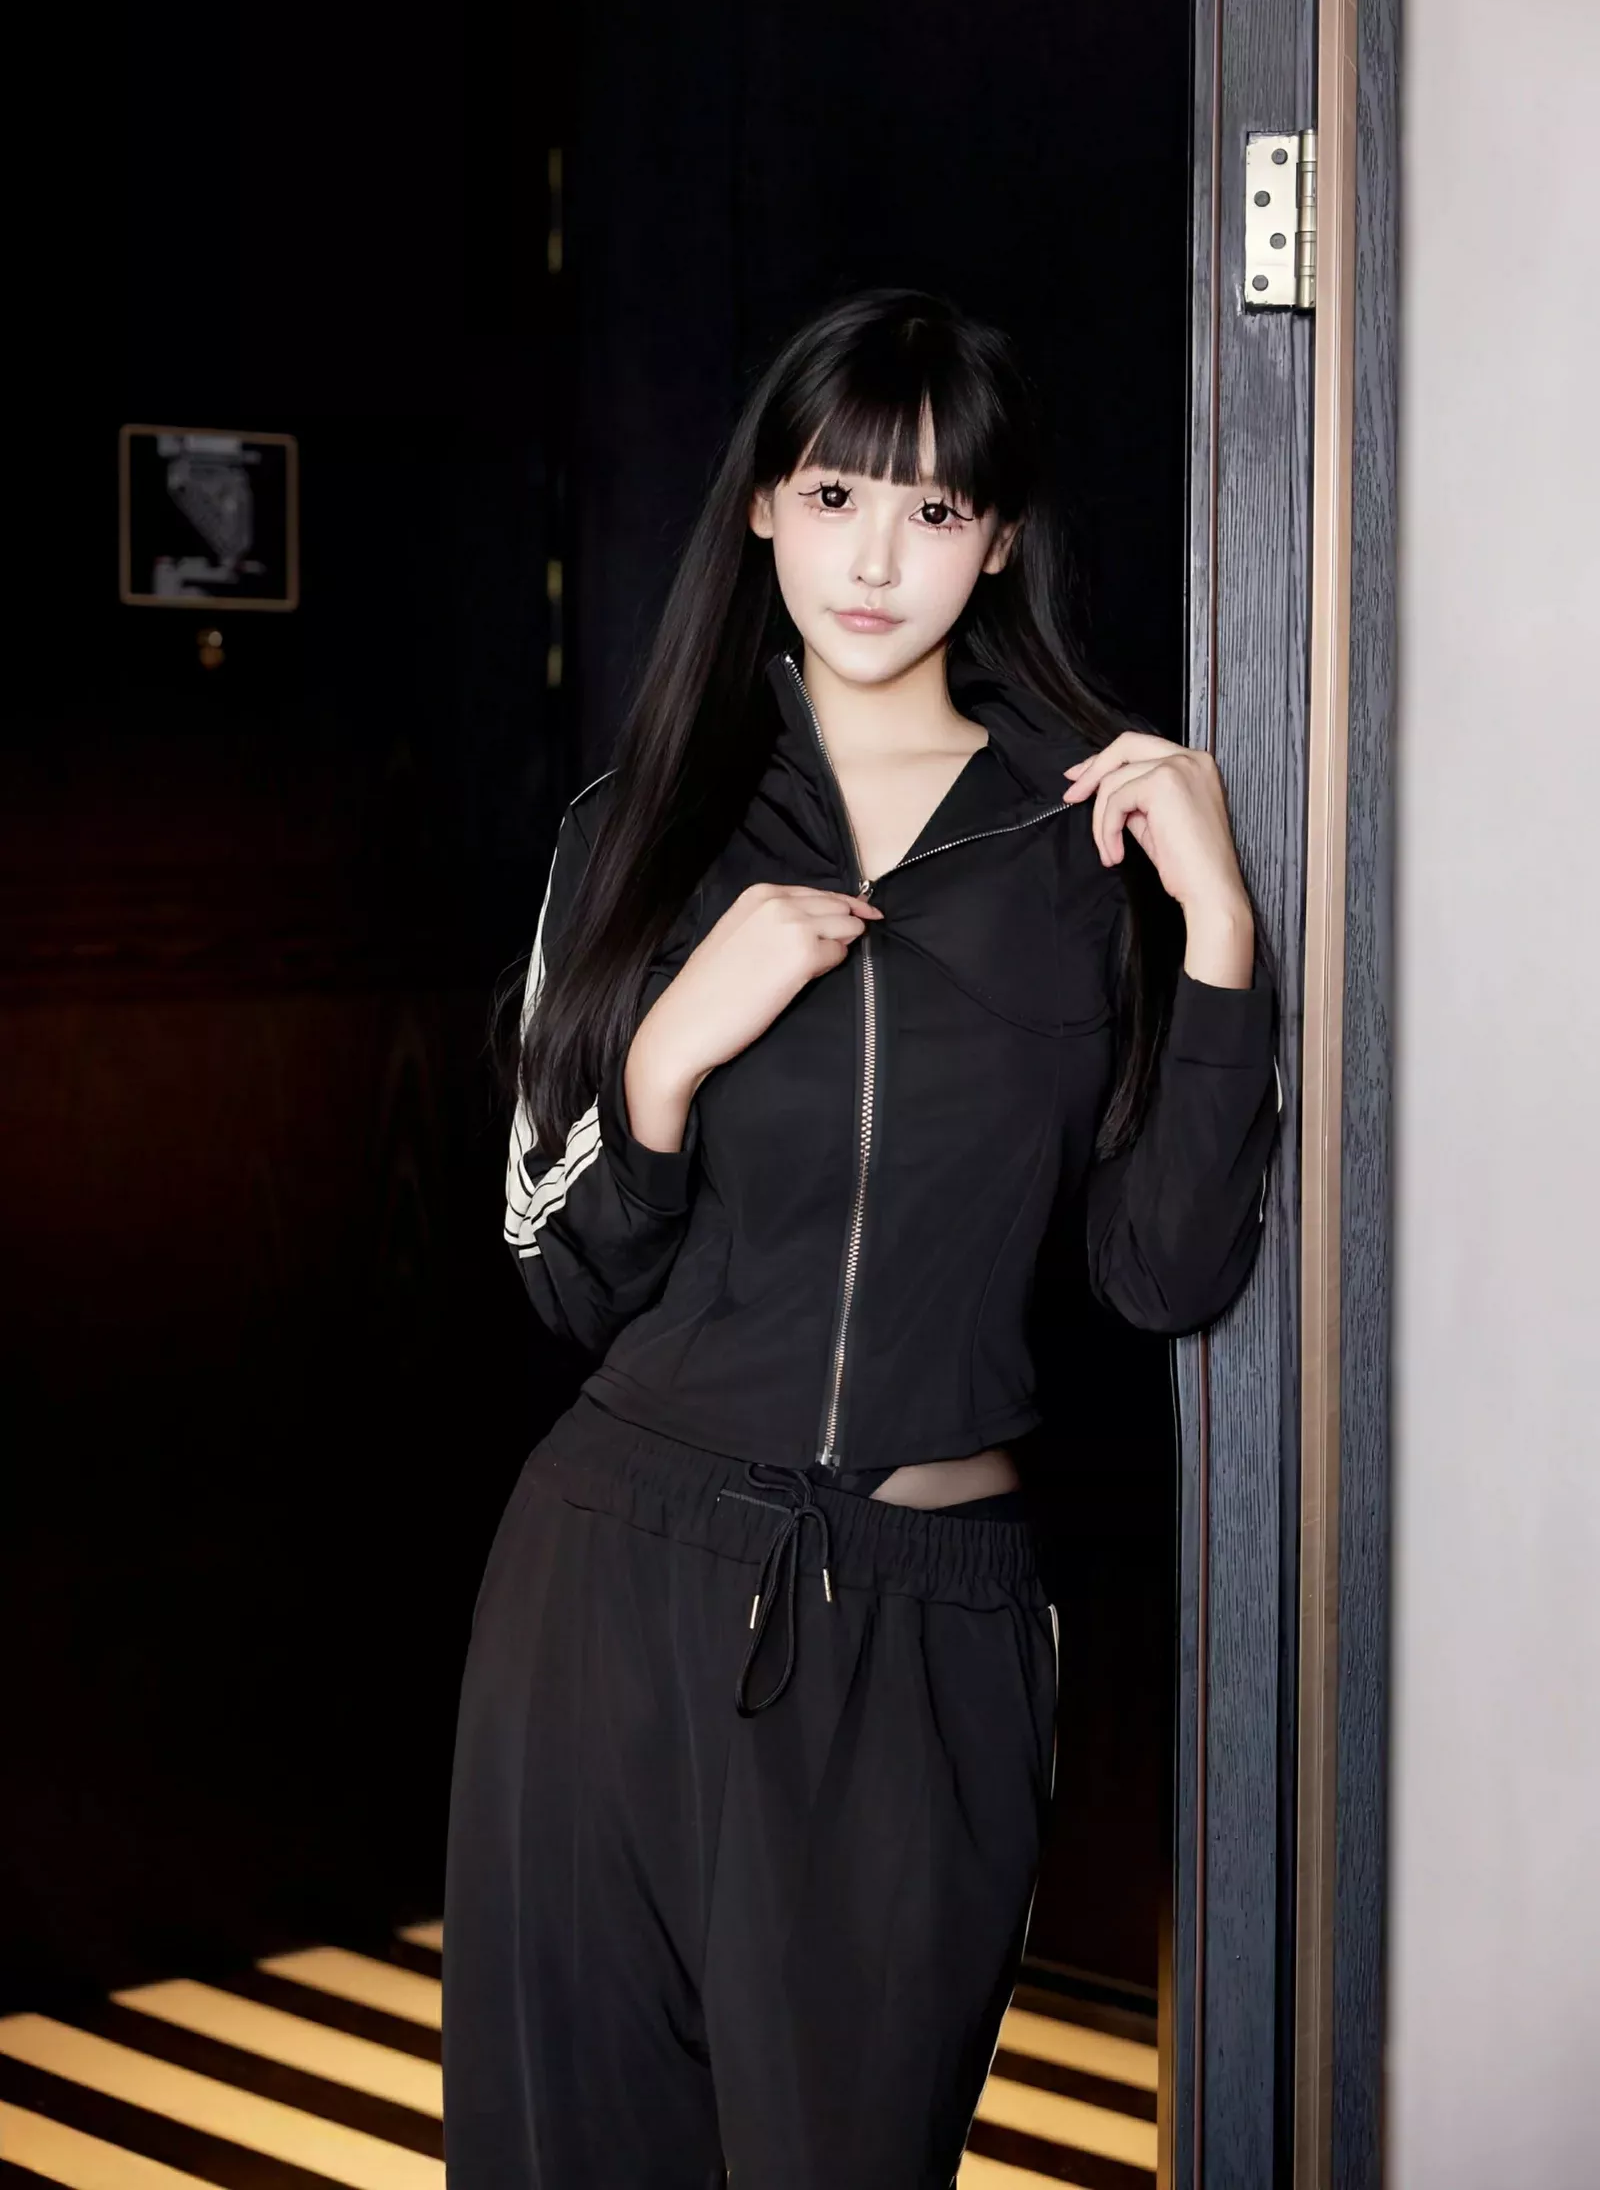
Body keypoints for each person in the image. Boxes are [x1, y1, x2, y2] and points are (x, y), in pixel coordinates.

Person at [441, 287, 1282, 2190]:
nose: (877, 559)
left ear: (1000, 538)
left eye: (933, 508)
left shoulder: (1087, 851)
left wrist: (1224, 933)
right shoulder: (637, 829)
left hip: (924, 1624)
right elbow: (562, 1269)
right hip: (611, 1590)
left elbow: (1164, 1272)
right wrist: (672, 1046)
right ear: (764, 505)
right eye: (834, 496)